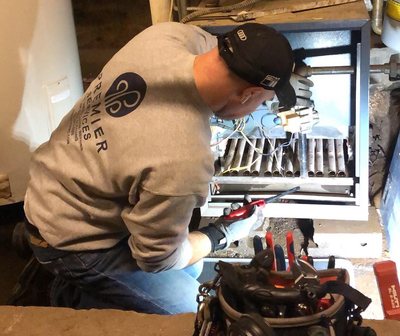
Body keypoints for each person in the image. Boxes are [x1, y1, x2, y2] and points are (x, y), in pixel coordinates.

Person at [23, 22, 301, 314]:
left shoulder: (168, 35)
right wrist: (223, 234)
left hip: (48, 184)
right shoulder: (183, 160)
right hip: (71, 242)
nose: (258, 108)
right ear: (249, 94)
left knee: (191, 270)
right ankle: (74, 294)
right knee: (197, 312)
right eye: (263, 102)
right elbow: (158, 259)